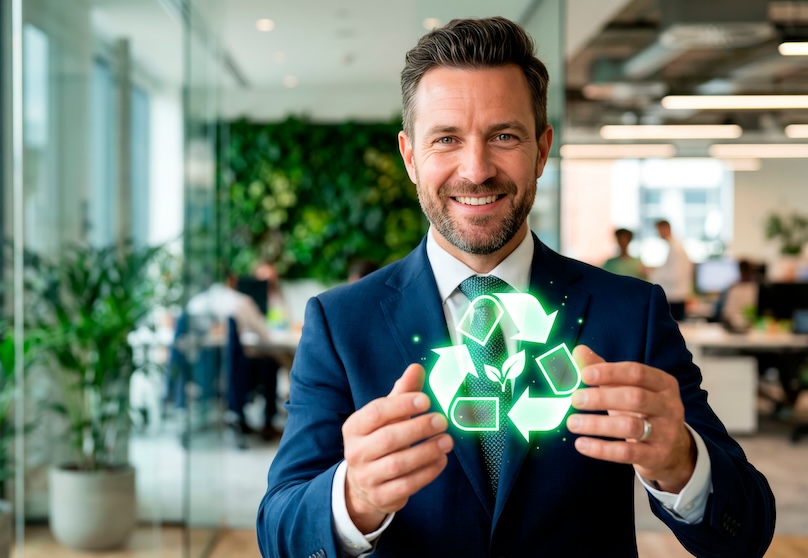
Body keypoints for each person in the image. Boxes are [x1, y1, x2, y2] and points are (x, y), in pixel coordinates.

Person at [258, 17, 774, 558]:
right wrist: (353, 498)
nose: (476, 170)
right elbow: (279, 532)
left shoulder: (631, 313)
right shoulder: (341, 323)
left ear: (542, 150)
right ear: (411, 157)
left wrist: (682, 463)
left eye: (504, 136)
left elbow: (747, 532)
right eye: (446, 139)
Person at [186, 270, 281, 443]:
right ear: (232, 281)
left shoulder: (195, 303)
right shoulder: (241, 302)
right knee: (271, 363)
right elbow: (264, 335)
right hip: (238, 372)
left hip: (202, 370)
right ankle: (268, 422)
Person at [649, 219, 694, 320]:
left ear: (666, 229)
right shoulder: (674, 247)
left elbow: (674, 275)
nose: (658, 234)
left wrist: (652, 272)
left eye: (659, 230)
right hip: (674, 296)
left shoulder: (676, 249)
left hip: (675, 297)